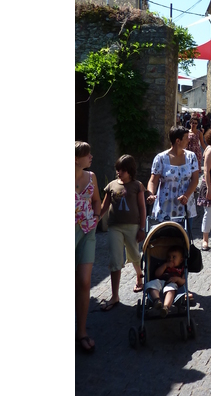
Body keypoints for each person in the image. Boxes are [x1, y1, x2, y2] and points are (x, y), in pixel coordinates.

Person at [99, 154, 146, 311]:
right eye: (118, 169)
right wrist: (95, 219)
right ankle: (115, 295)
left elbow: (142, 208)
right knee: (115, 260)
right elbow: (104, 206)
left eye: (123, 170)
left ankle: (139, 277)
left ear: (130, 170)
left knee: (134, 256)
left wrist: (142, 228)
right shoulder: (111, 185)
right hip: (114, 227)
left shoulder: (137, 185)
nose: (119, 172)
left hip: (132, 227)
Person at [147, 126, 200, 239]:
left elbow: (195, 180)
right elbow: (153, 180)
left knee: (184, 241)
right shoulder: (160, 158)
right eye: (186, 138)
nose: (188, 140)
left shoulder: (191, 157)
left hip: (185, 206)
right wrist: (151, 194)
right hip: (165, 207)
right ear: (178, 140)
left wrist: (186, 195)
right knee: (163, 241)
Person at [75, 141, 102, 354]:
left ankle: (81, 332)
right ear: (76, 159)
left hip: (87, 233)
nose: (91, 157)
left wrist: (96, 216)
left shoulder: (91, 177)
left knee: (84, 282)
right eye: (87, 154)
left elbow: (96, 201)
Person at [145, 245, 186, 317]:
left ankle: (166, 307)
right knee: (152, 284)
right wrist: (165, 266)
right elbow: (157, 274)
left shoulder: (181, 269)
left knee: (171, 290)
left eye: (174, 257)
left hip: (171, 283)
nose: (170, 259)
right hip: (160, 281)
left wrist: (177, 279)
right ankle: (156, 300)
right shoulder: (164, 265)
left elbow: (183, 281)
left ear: (181, 260)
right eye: (169, 257)